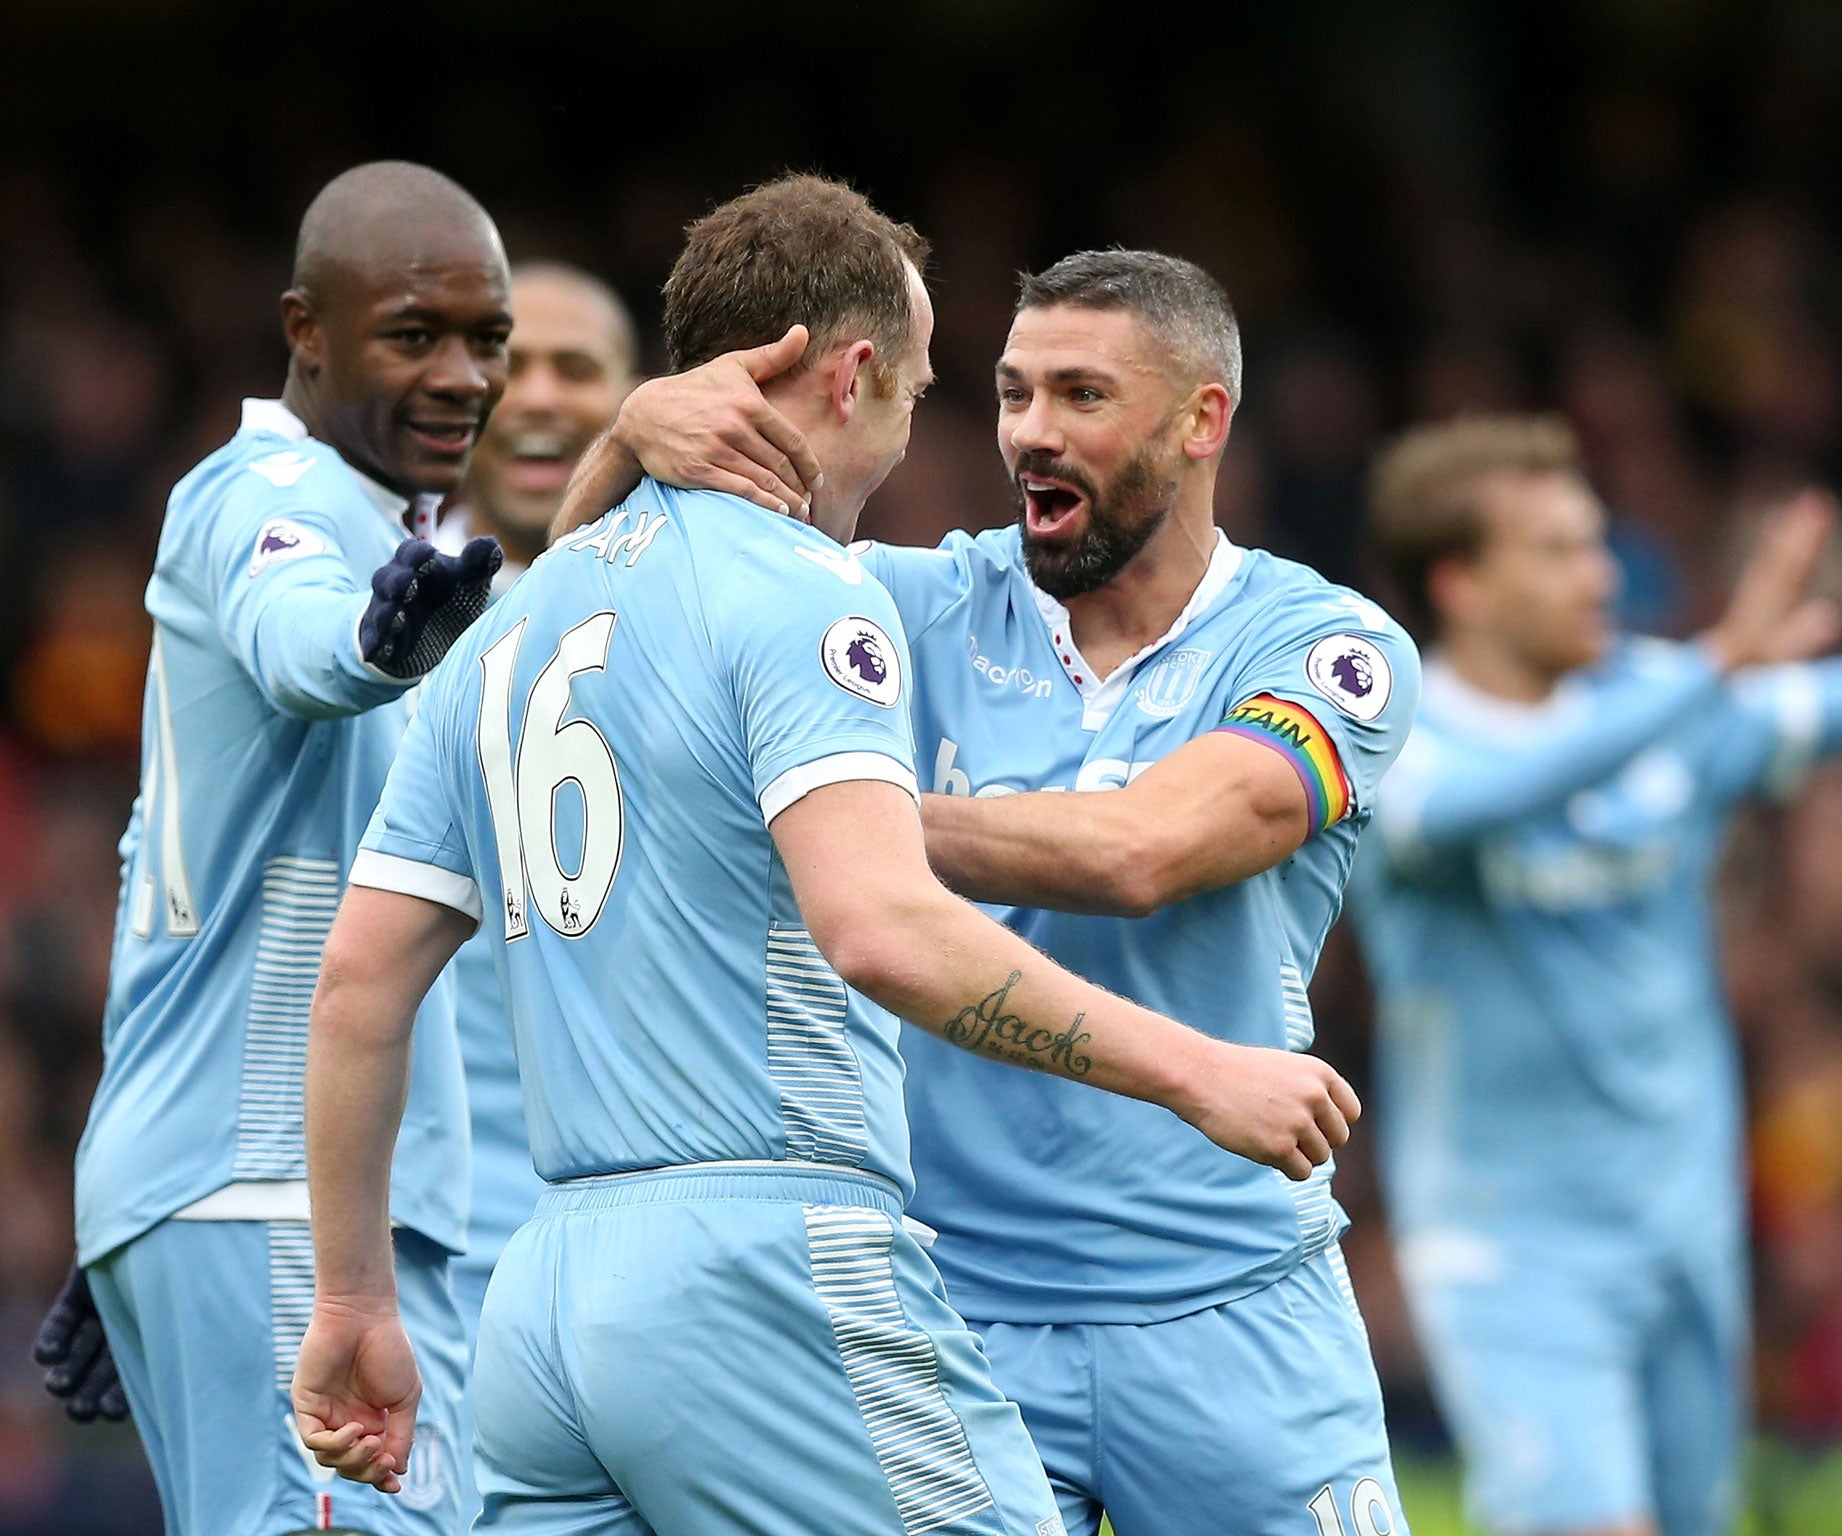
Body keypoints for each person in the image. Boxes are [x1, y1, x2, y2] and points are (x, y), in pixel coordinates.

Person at [291, 175, 1360, 1536]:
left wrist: (350, 1301)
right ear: (852, 374)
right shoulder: (813, 593)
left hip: (544, 1299)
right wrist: (1198, 1069)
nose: (927, 435)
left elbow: (357, 987)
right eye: (920, 392)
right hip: (772, 1257)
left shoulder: (510, 628)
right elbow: (881, 929)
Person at [555, 249, 1425, 1536]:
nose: (1029, 432)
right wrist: (624, 444)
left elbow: (1140, 852)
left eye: (1080, 395)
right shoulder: (919, 604)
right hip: (954, 1315)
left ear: (1201, 421)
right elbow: (590, 635)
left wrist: (836, 812)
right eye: (1013, 392)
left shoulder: (1325, 646)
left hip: (1232, 1303)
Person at [35, 162, 830, 1536]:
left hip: (257, 1184)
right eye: (419, 337)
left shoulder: (409, 538)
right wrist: (369, 643)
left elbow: (180, 840)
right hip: (275, 1181)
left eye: (490, 343)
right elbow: (311, 641)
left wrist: (156, 1180)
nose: (468, 378)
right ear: (305, 332)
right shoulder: (273, 500)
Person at [1347, 415, 1842, 1536]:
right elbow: (1478, 807)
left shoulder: (1659, 698)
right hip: (1515, 1251)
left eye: (1594, 540)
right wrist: (1713, 670)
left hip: (1684, 1233)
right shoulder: (1400, 740)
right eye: (1559, 550)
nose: (1602, 571)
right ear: (1461, 584)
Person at [434, 261, 639, 1347]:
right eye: (511, 369)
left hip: (652, 1250)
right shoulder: (368, 622)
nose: (543, 397)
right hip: (427, 1256)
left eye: (578, 368)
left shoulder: (707, 615)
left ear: (638, 401)